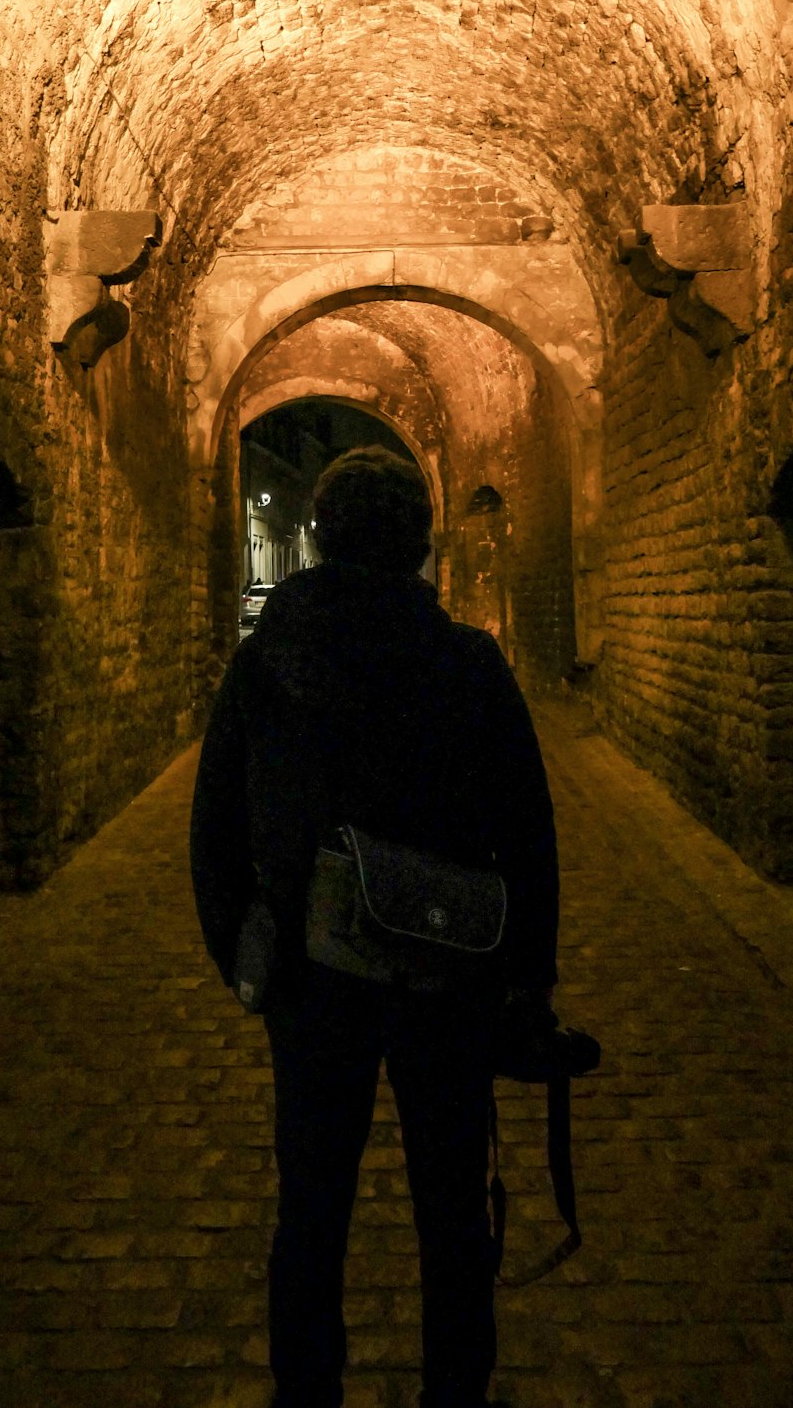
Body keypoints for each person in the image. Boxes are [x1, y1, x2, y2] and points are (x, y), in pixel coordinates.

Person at [190, 445, 559, 1408]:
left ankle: (307, 1389)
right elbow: (528, 831)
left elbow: (215, 821)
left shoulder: (268, 658)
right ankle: (455, 1388)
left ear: (319, 536)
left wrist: (243, 947)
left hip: (314, 982)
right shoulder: (468, 662)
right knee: (450, 1204)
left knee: (312, 1205)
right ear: (421, 545)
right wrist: (527, 981)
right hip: (448, 975)